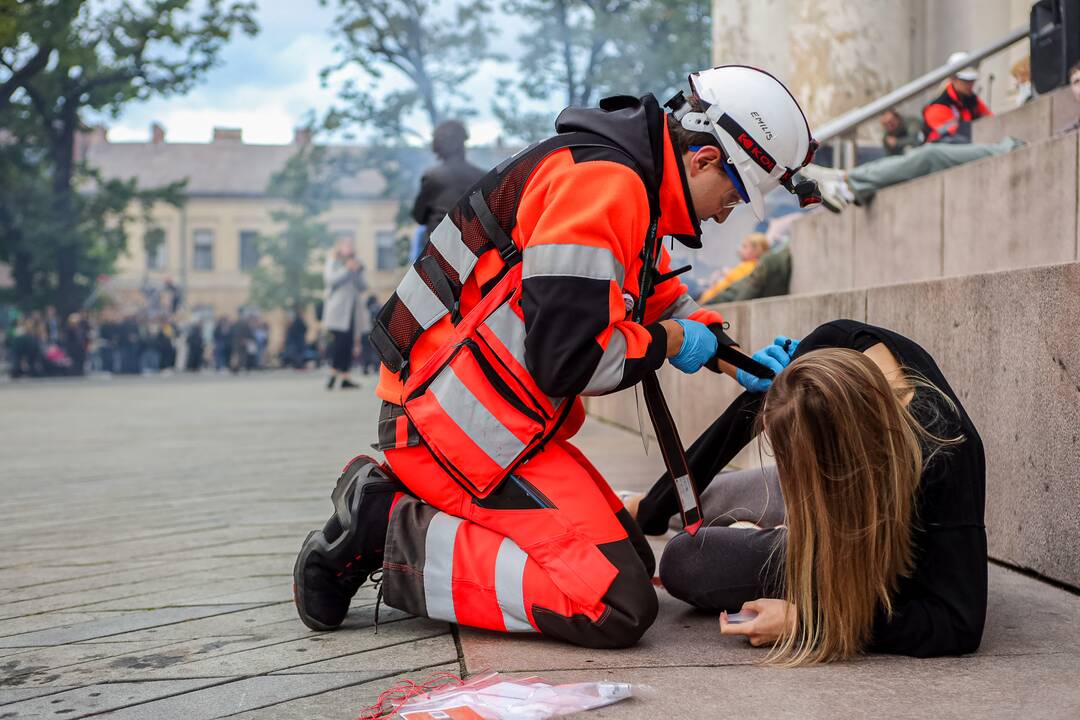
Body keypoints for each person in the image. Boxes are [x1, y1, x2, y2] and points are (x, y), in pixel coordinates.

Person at [293, 65, 820, 649]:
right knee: (615, 604)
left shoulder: (625, 180)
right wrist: (672, 344)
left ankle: (415, 513)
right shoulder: (604, 185)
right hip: (450, 429)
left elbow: (656, 298)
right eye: (735, 194)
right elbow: (570, 362)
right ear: (703, 160)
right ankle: (388, 528)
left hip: (490, 426)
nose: (726, 214)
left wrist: (732, 355)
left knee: (633, 562)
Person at [641, 320, 986, 664]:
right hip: (833, 489)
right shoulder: (836, 342)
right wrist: (654, 508)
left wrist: (807, 621)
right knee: (712, 497)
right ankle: (633, 505)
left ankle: (781, 534)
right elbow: (733, 427)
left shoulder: (944, 458)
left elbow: (957, 622)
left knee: (685, 560)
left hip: (859, 541)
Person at [411, 120, 487, 243]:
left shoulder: (432, 177)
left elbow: (419, 216)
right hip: (475, 248)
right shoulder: (483, 177)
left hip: (440, 251)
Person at [322, 238, 367, 389]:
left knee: (348, 344)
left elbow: (363, 287)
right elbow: (330, 280)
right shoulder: (333, 261)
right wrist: (346, 269)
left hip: (352, 311)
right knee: (339, 343)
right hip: (337, 310)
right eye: (346, 244)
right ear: (339, 247)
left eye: (350, 244)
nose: (349, 247)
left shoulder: (357, 262)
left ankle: (345, 377)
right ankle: (333, 374)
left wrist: (358, 271)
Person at [922, 51, 992, 144]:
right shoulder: (937, 108)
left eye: (972, 80)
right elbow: (957, 136)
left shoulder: (971, 99)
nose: (970, 84)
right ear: (952, 78)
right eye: (965, 80)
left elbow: (991, 120)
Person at [698, 233, 770, 304]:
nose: (740, 250)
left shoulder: (752, 268)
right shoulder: (746, 266)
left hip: (714, 302)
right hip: (709, 300)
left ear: (756, 250)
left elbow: (736, 287)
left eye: (745, 247)